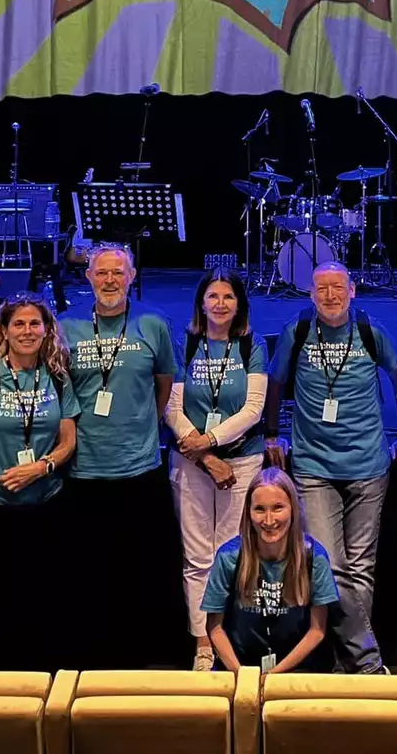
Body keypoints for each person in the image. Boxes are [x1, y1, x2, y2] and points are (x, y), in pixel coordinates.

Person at [265, 261, 397, 673]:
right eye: (321, 289)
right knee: (332, 564)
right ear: (310, 294)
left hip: (368, 466)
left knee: (362, 569)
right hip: (313, 465)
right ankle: (369, 663)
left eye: (337, 287)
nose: (330, 295)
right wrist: (272, 433)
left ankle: (348, 666)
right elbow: (276, 380)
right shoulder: (298, 331)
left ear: (352, 290)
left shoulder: (370, 331)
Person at [58, 243, 188, 668]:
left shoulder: (153, 323)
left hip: (139, 468)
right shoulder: (67, 326)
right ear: (89, 278)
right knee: (90, 574)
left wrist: (142, 424)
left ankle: (141, 661)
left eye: (118, 273)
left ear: (132, 277)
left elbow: (164, 382)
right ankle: (93, 660)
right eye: (101, 273)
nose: (110, 280)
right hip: (84, 470)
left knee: (141, 572)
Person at [0, 293, 79, 670]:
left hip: (45, 508)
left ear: (47, 330)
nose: (27, 331)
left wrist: (42, 467)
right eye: (18, 324)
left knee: (42, 604)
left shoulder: (57, 379)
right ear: (3, 331)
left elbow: (69, 439)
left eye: (34, 324)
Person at [166, 269, 268, 670]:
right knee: (197, 558)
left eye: (228, 297)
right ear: (201, 303)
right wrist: (204, 454)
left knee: (231, 555)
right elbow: (172, 407)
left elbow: (254, 409)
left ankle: (229, 638)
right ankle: (202, 644)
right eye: (213, 296)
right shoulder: (185, 343)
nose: (220, 304)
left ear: (239, 303)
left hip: (241, 460)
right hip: (191, 462)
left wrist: (211, 442)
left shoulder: (251, 344)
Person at [202, 467, 338, 674]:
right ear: (248, 511)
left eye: (277, 508)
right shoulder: (228, 557)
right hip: (238, 669)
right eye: (259, 509)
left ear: (293, 508)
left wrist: (272, 676)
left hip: (296, 670)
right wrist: (243, 675)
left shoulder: (315, 557)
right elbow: (215, 627)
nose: (268, 520)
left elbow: (317, 631)